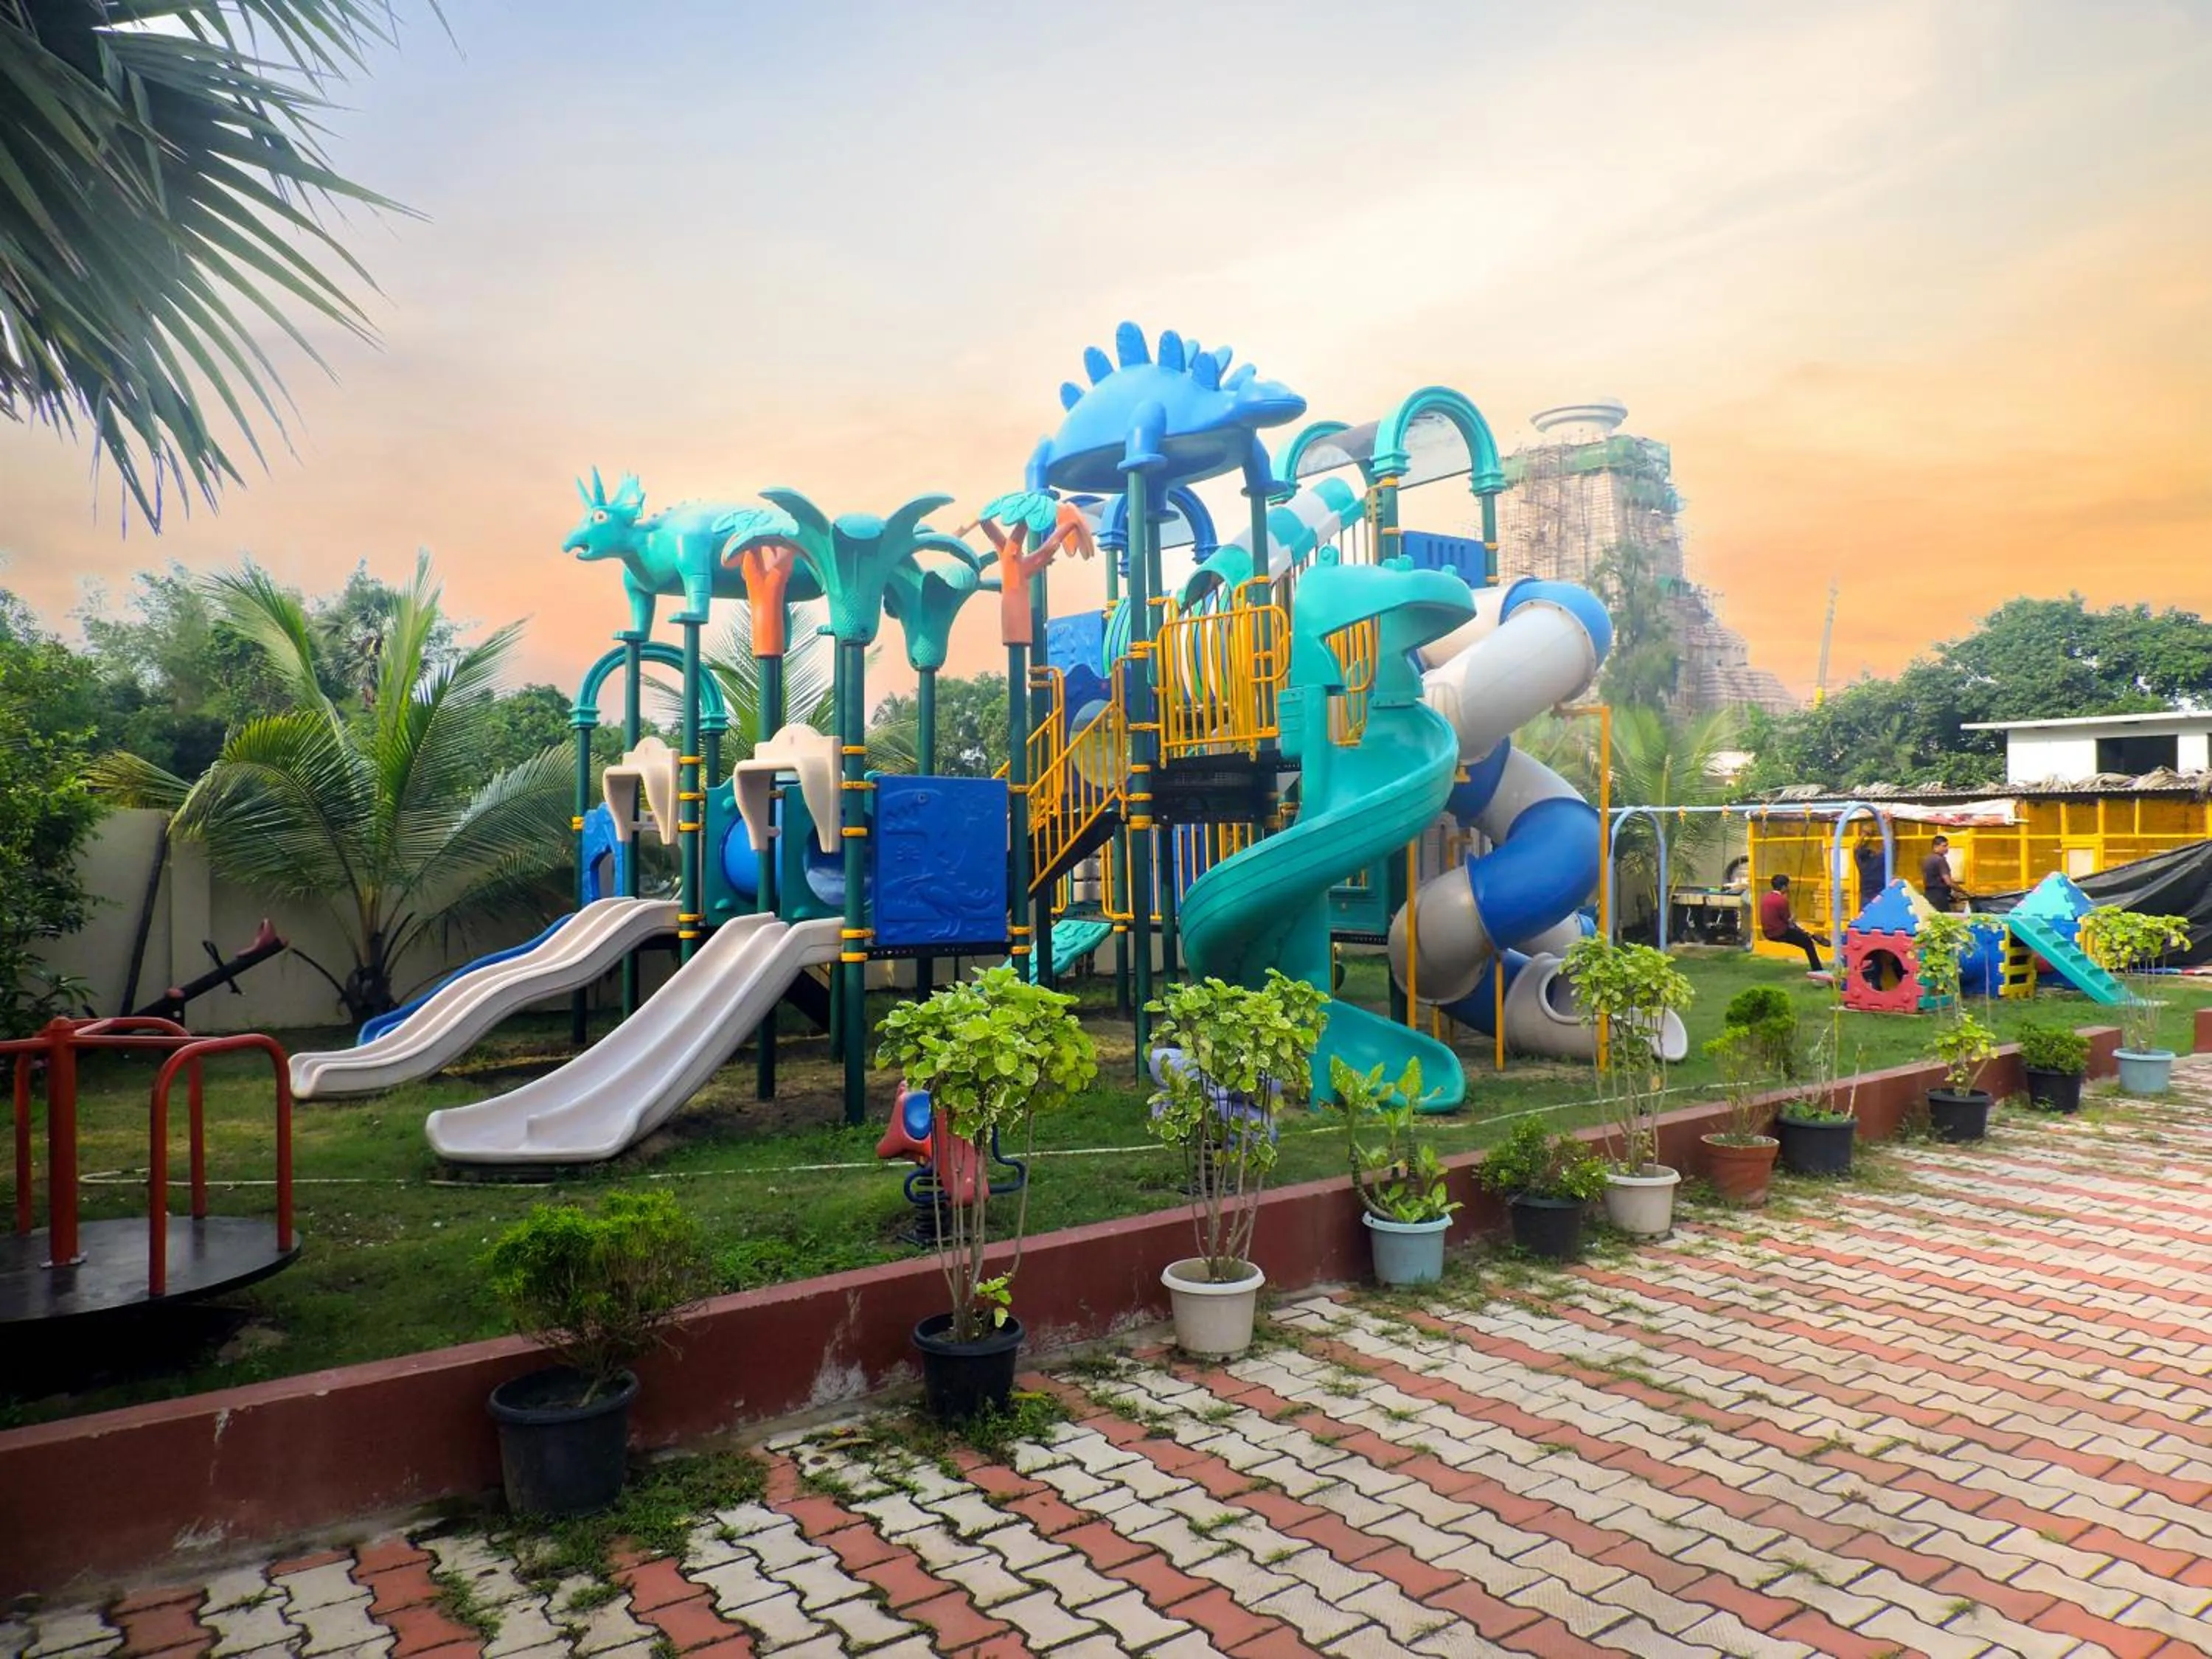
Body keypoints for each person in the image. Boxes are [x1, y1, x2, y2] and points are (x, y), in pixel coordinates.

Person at [1759, 874, 1827, 972]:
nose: (1788, 888)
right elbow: (1789, 922)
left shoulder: (1765, 898)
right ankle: (1818, 969)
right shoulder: (1782, 901)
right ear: (1783, 887)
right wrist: (1794, 918)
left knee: (1802, 935)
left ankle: (1810, 936)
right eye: (1787, 886)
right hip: (1779, 932)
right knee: (1808, 943)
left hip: (1767, 932)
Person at [1921, 834, 1970, 912]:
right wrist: (1964, 892)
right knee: (1945, 917)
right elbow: (1948, 882)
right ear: (1936, 846)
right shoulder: (1940, 860)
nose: (1947, 848)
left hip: (1928, 894)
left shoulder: (1926, 859)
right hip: (1939, 897)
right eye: (1944, 846)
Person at [1853, 832, 1887, 914]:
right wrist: (1888, 829)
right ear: (1871, 854)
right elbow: (1889, 847)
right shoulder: (1878, 861)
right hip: (1880, 896)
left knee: (1865, 918)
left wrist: (1863, 834)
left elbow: (1855, 849)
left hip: (1866, 897)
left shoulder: (1862, 865)